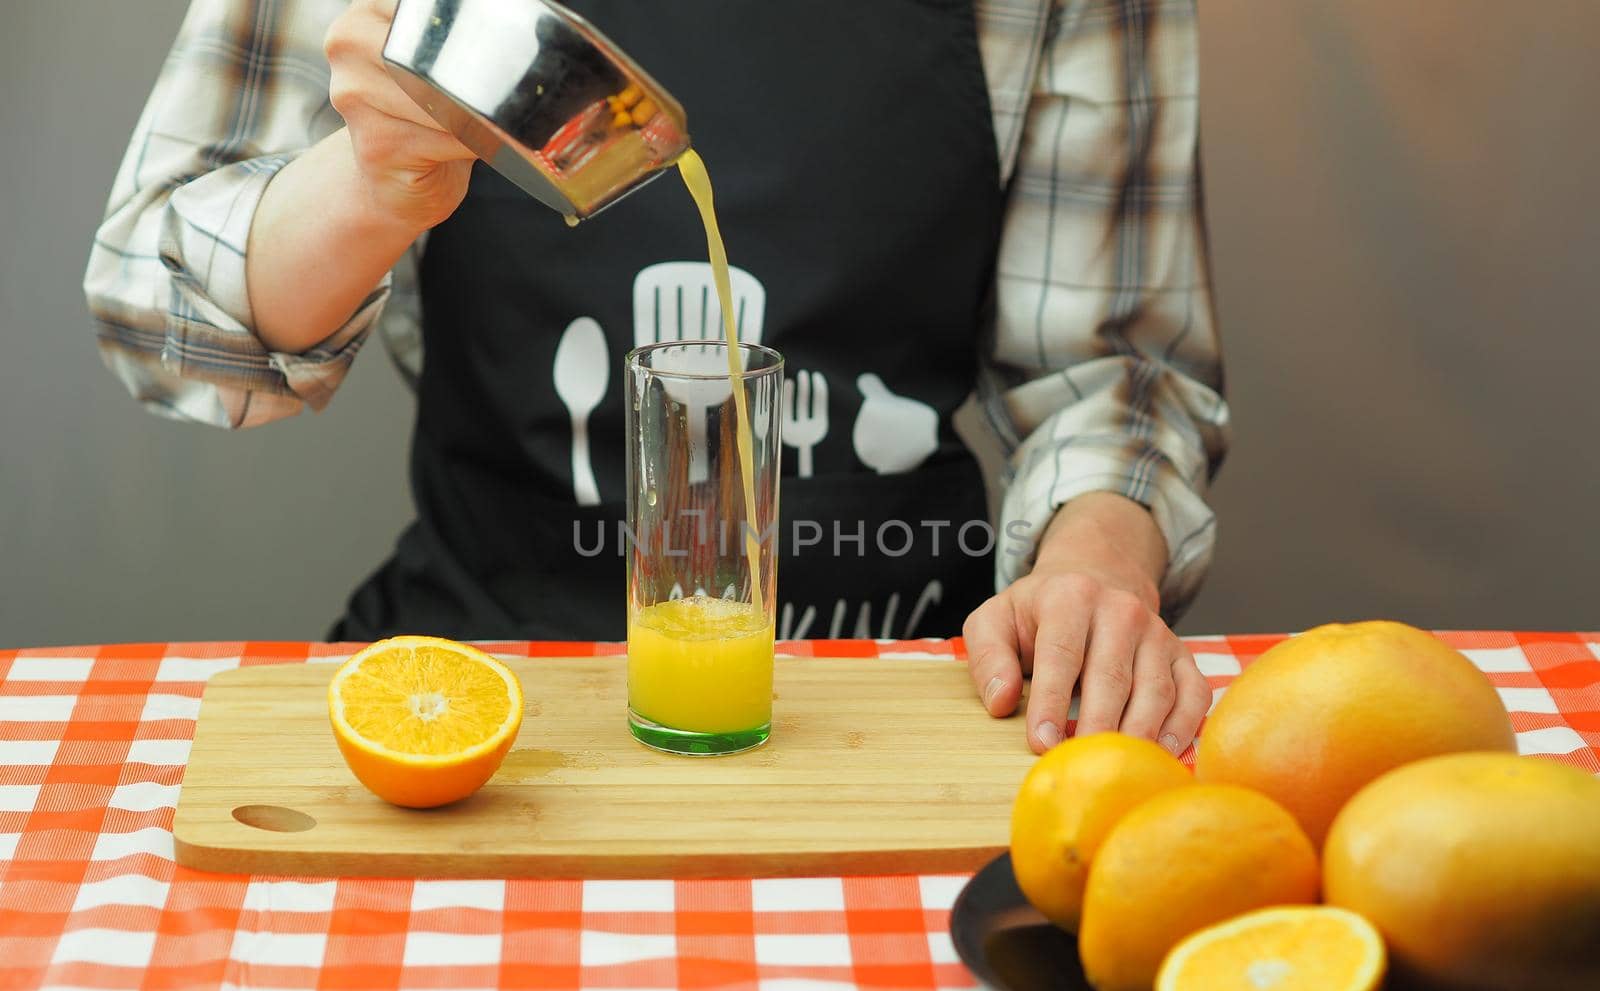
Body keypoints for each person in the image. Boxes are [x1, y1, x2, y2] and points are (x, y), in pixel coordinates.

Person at [85, 0, 1230, 756]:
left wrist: (1098, 565)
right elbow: (162, 311)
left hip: (910, 695)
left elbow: (1112, 367)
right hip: (486, 683)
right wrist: (370, 186)